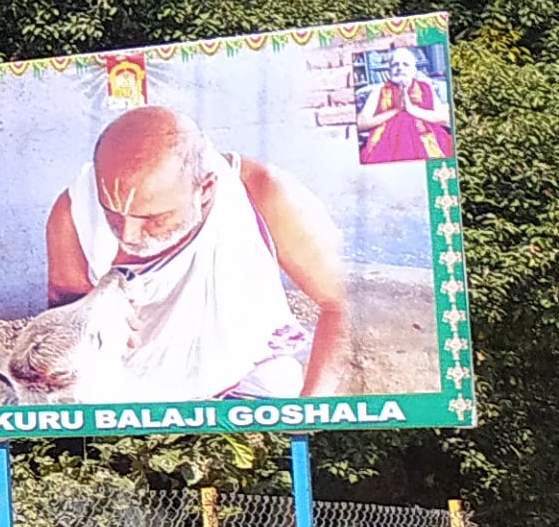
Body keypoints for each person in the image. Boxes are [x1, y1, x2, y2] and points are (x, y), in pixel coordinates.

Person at [41, 104, 351, 398]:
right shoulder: (74, 211)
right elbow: (64, 314)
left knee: (279, 381)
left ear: (204, 190)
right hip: (127, 397)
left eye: (153, 218)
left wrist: (308, 415)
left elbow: (342, 304)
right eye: (112, 212)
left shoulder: (264, 192)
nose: (128, 236)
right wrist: (96, 314)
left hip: (244, 384)